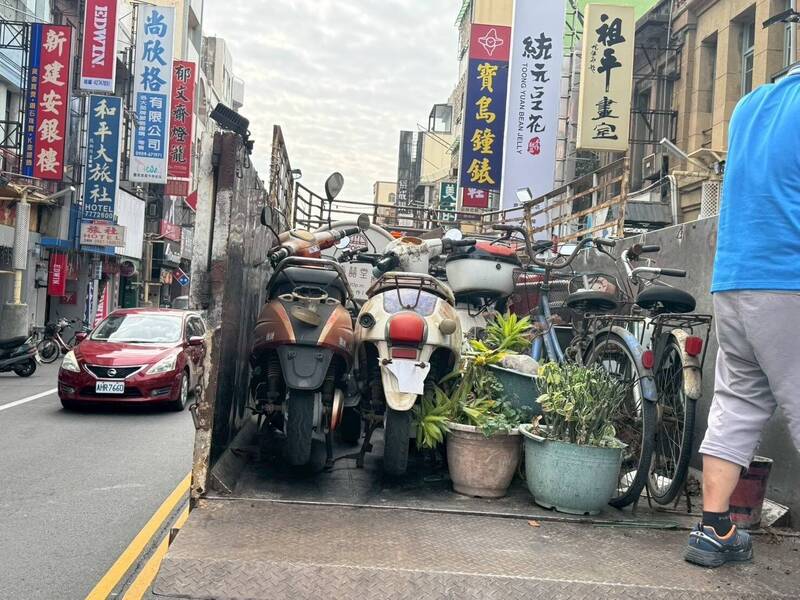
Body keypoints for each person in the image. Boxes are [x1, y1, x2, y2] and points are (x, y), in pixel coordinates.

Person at [684, 63, 800, 568]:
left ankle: (715, 530)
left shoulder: (750, 105)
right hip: (789, 280)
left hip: (733, 281)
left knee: (736, 403)